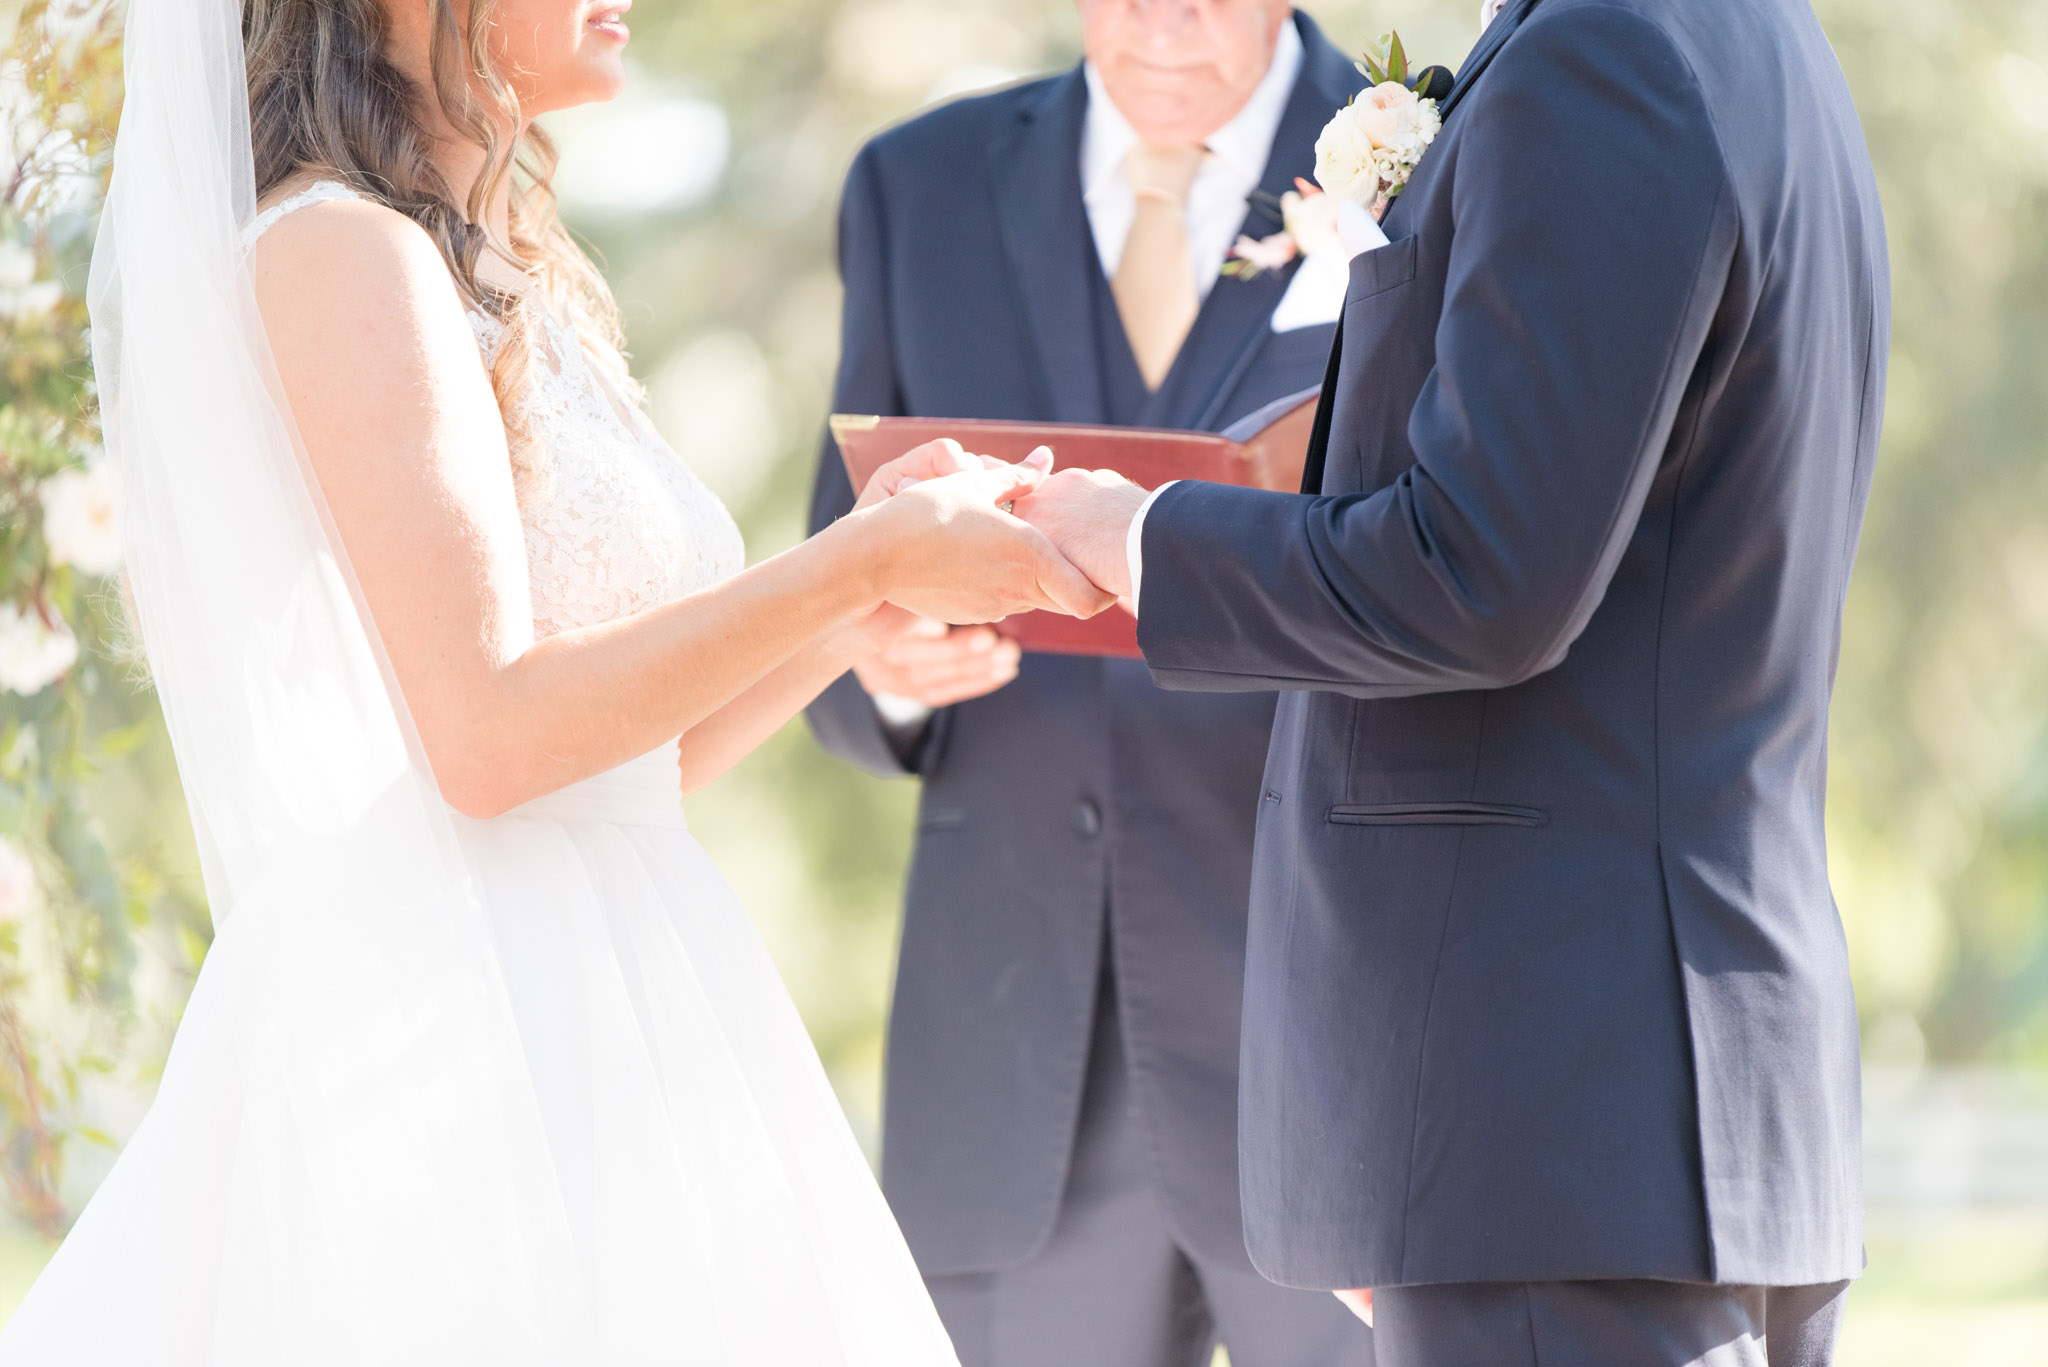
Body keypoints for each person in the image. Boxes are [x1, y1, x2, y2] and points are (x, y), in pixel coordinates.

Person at [0, 0, 1110, 1359]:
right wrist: (849, 562)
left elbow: (629, 763)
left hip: (624, 999)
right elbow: (488, 740)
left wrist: (858, 597)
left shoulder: (505, 268)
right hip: (459, 1036)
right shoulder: (343, 257)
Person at [1017, 0, 1887, 1363]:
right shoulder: (1761, 41)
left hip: (1547, 1122)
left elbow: (1479, 577)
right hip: (1662, 1126)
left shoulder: (1606, 52)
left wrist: (1137, 535)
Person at [806, 4, 1374, 1365]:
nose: (1165, 18)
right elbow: (829, 597)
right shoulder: (917, 185)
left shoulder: (1434, 164)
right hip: (1015, 1073)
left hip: (1334, 1052)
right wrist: (885, 668)